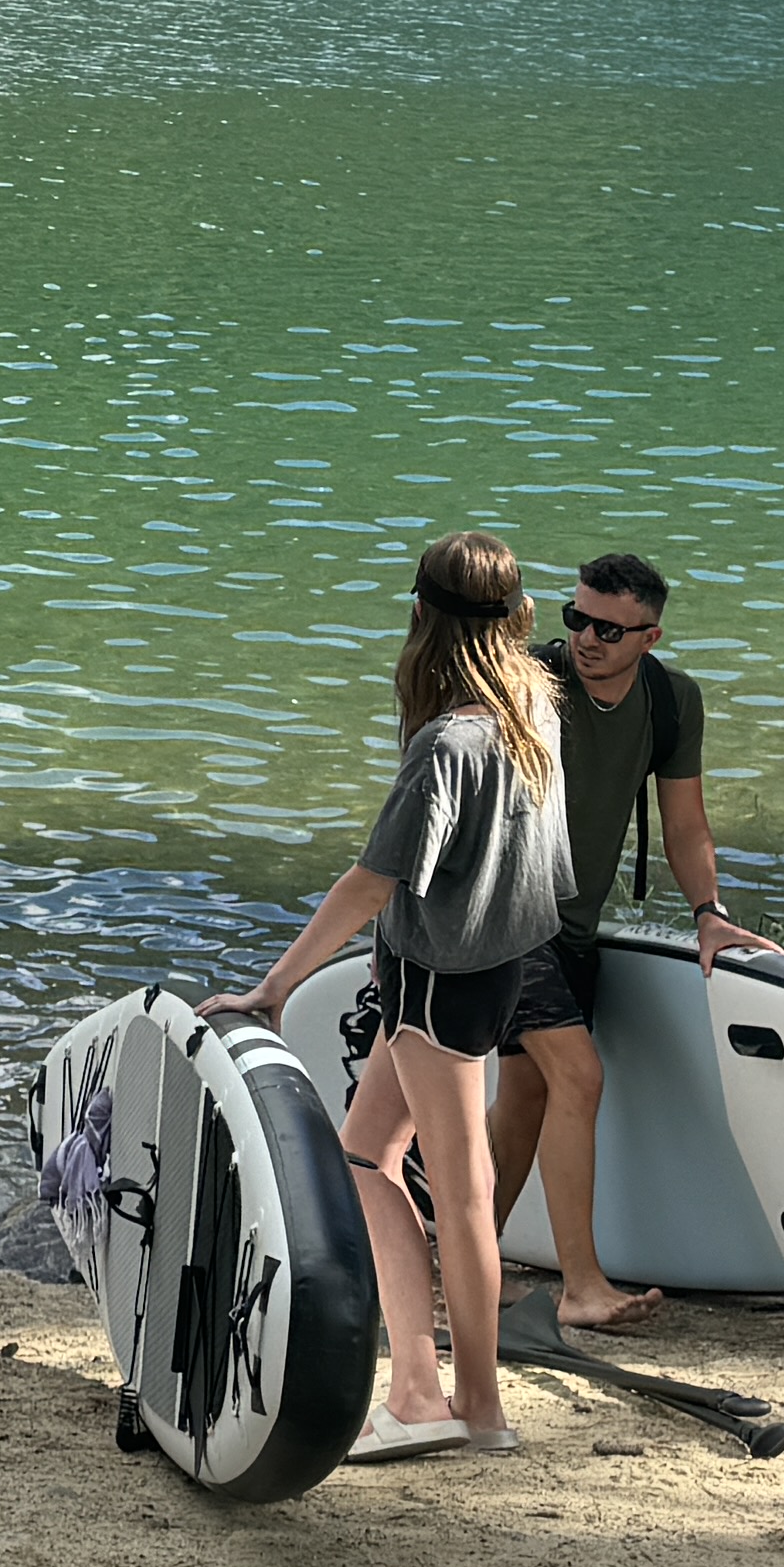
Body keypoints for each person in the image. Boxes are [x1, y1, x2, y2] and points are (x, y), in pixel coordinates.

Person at [218, 530, 565, 1463]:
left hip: (432, 989)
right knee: (367, 1157)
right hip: (497, 974)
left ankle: (476, 1410)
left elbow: (371, 882)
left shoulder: (447, 742)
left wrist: (275, 987)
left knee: (460, 1193)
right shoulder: (535, 706)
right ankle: (416, 1386)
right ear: (520, 618)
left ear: (418, 616)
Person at [484, 550, 773, 1336]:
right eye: (577, 618)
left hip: (572, 929)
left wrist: (709, 910)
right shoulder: (530, 681)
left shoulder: (673, 703)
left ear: (650, 636)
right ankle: (581, 1284)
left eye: (609, 629)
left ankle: (463, 1270)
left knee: (525, 1100)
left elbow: (685, 825)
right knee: (578, 1076)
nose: (586, 638)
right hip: (509, 916)